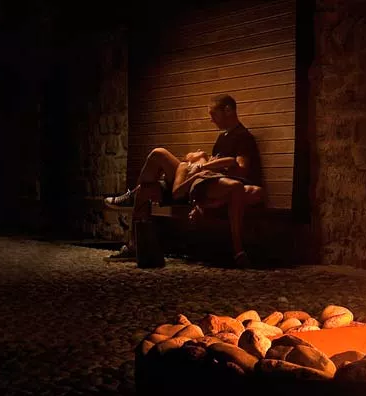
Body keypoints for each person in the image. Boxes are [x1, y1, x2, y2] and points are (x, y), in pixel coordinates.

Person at [104, 94, 263, 267]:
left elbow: (240, 168)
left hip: (205, 181)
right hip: (195, 179)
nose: (211, 120)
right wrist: (199, 161)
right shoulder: (223, 137)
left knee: (160, 162)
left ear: (228, 110)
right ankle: (134, 243)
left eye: (213, 115)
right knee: (156, 160)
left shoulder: (243, 137)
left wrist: (204, 167)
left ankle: (132, 197)